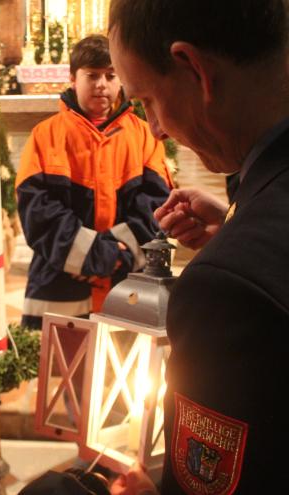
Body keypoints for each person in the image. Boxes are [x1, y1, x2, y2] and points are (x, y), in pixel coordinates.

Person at [107, 0, 289, 493]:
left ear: (193, 69)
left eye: (146, 99)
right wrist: (238, 223)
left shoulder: (226, 291)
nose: (154, 128)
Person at [16, 34, 173, 329]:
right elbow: (37, 212)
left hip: (126, 283)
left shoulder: (142, 136)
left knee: (123, 369)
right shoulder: (45, 135)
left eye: (111, 75)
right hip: (59, 285)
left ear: (121, 80)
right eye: (92, 75)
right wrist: (95, 256)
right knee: (63, 367)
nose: (102, 84)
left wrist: (112, 257)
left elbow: (157, 204)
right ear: (73, 78)